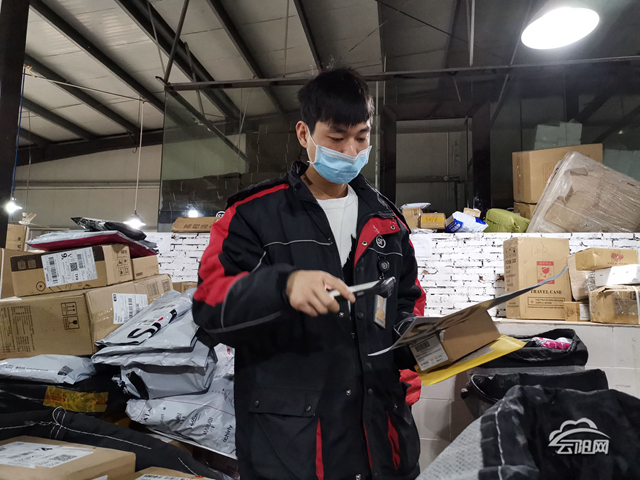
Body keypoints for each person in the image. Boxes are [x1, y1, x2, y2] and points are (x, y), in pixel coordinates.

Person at [193, 67, 425, 480]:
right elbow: (210, 306)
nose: (351, 151)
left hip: (380, 439)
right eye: (336, 138)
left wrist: (417, 350)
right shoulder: (253, 215)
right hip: (294, 446)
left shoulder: (387, 221)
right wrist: (282, 287)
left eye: (362, 138)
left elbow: (406, 300)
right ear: (304, 134)